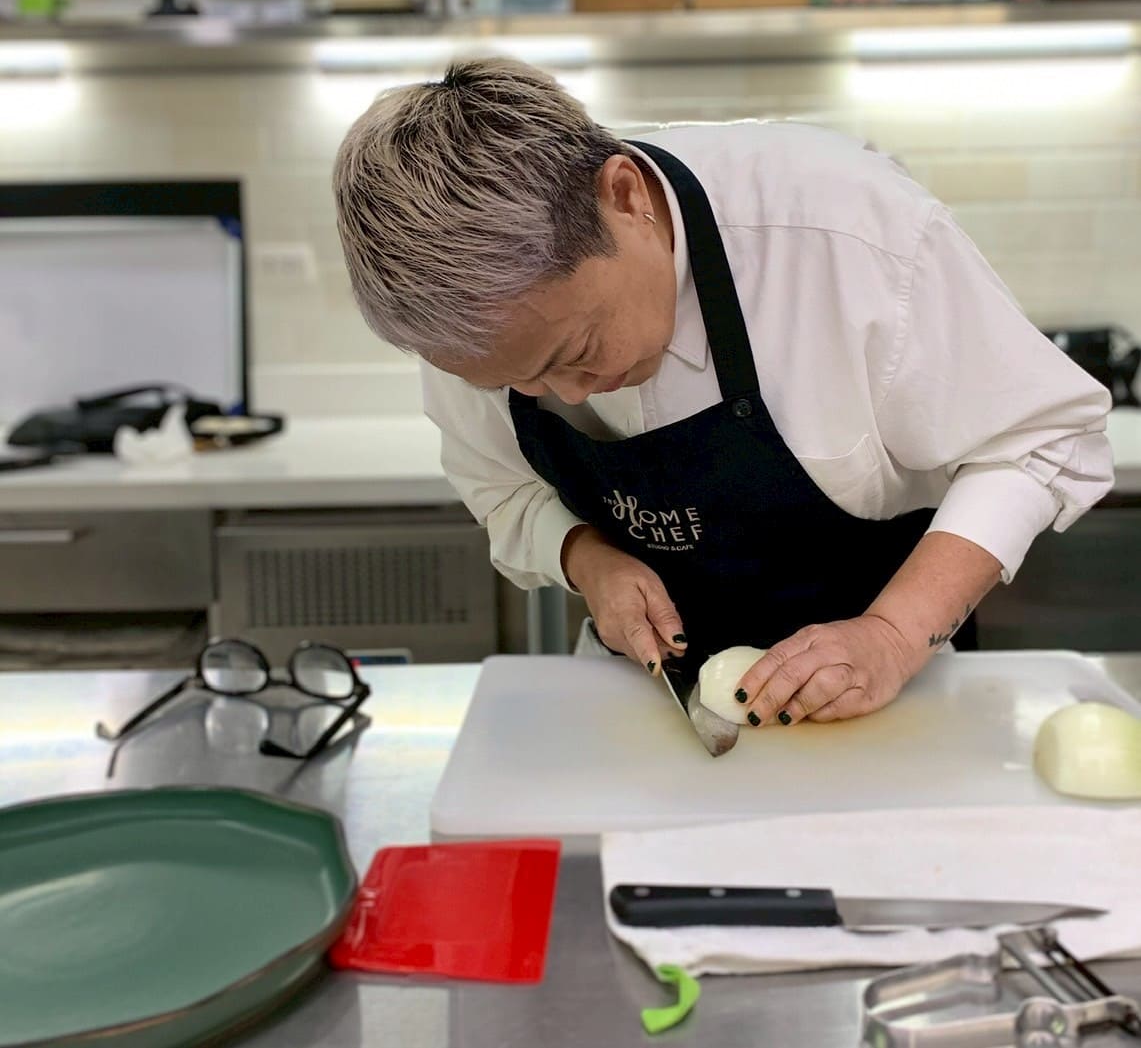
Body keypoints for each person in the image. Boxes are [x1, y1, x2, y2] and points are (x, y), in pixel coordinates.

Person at [333, 58, 1112, 726]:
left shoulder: (841, 230)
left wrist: (892, 635)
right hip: (645, 710)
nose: (558, 390)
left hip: (891, 700)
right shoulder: (471, 313)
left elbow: (1039, 439)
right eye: (514, 380)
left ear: (625, 198)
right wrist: (587, 559)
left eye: (577, 350)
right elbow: (501, 489)